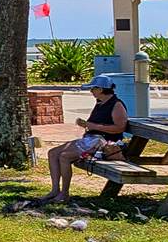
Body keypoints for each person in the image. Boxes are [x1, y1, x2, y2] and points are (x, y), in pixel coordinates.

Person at [45, 74, 136, 202]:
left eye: (93, 88)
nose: (91, 91)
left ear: (101, 89)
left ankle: (64, 193)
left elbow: (120, 128)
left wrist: (92, 126)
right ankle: (55, 190)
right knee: (53, 153)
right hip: (91, 139)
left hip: (104, 143)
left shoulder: (116, 105)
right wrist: (87, 126)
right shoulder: (100, 103)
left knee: (65, 156)